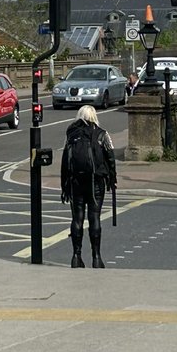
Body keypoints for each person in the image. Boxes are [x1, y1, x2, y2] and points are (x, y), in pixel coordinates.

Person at [60, 104, 117, 268]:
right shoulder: (102, 134)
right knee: (94, 217)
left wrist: (64, 186)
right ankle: (97, 258)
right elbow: (110, 157)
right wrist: (111, 179)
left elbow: (65, 160)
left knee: (77, 218)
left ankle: (76, 257)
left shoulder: (71, 134)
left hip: (75, 181)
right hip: (96, 181)